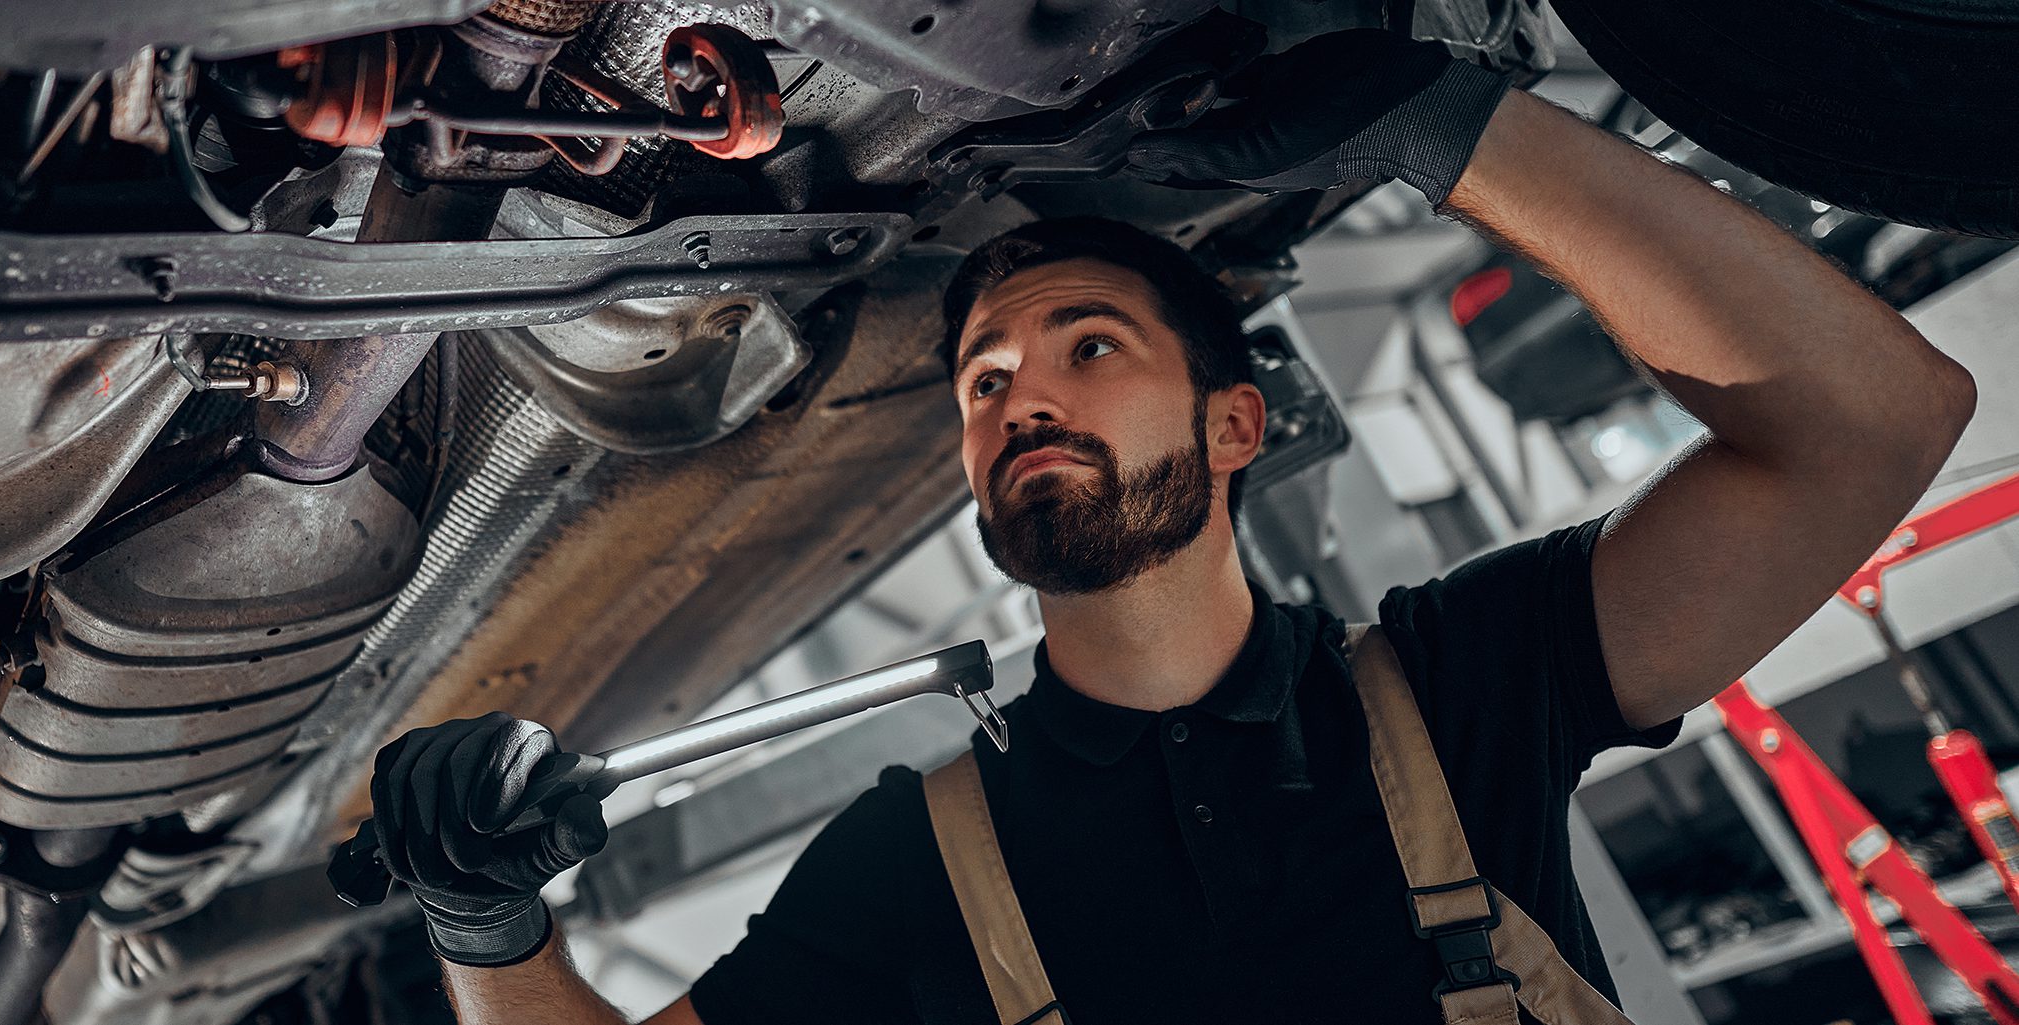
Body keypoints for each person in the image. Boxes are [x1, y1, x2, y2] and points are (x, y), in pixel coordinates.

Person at [360, 28, 1978, 1025]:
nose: (1018, 396)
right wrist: (489, 930)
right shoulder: (918, 863)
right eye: (985, 379)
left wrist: (1441, 128)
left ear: (1234, 425)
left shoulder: (1466, 685)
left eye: (1087, 345)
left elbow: (1873, 420)